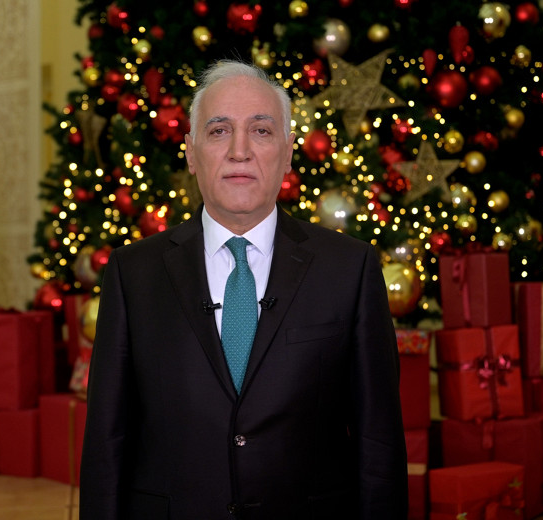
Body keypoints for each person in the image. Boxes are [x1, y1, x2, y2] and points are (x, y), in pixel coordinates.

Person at [80, 59, 408, 520]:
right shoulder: (132, 273)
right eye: (219, 131)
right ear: (191, 152)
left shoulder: (350, 269)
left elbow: (379, 441)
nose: (239, 151)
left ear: (288, 153)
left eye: (261, 130)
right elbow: (106, 441)